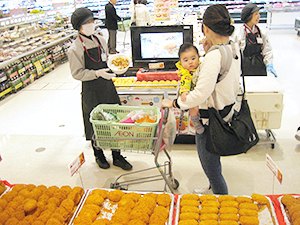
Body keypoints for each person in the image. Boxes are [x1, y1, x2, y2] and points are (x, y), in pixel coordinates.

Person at [161, 4, 241, 195]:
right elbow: (217, 77)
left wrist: (174, 103)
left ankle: (221, 201)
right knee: (214, 162)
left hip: (209, 118)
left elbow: (200, 93)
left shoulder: (215, 56)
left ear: (205, 28)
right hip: (225, 112)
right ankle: (213, 188)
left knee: (211, 168)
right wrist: (208, 51)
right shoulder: (233, 46)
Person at [68, 7, 132, 171]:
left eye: (92, 20)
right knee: (95, 123)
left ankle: (117, 156)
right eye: (87, 22)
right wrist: (97, 73)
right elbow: (77, 73)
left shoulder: (100, 39)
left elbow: (107, 59)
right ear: (79, 26)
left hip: (107, 87)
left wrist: (114, 66)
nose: (91, 24)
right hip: (91, 91)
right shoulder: (75, 48)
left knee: (114, 120)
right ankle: (99, 155)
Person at [236, 3, 277, 77]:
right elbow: (236, 54)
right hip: (246, 69)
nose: (258, 16)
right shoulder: (239, 33)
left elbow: (267, 50)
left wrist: (269, 64)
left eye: (259, 14)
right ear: (248, 16)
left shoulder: (261, 32)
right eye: (256, 14)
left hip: (260, 68)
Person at [176, 43, 204, 134]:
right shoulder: (185, 72)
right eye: (186, 60)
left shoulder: (202, 67)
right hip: (192, 94)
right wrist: (184, 92)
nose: (190, 62)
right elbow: (185, 83)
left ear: (198, 57)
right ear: (180, 62)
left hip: (203, 94)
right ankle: (196, 124)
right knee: (194, 108)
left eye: (193, 58)